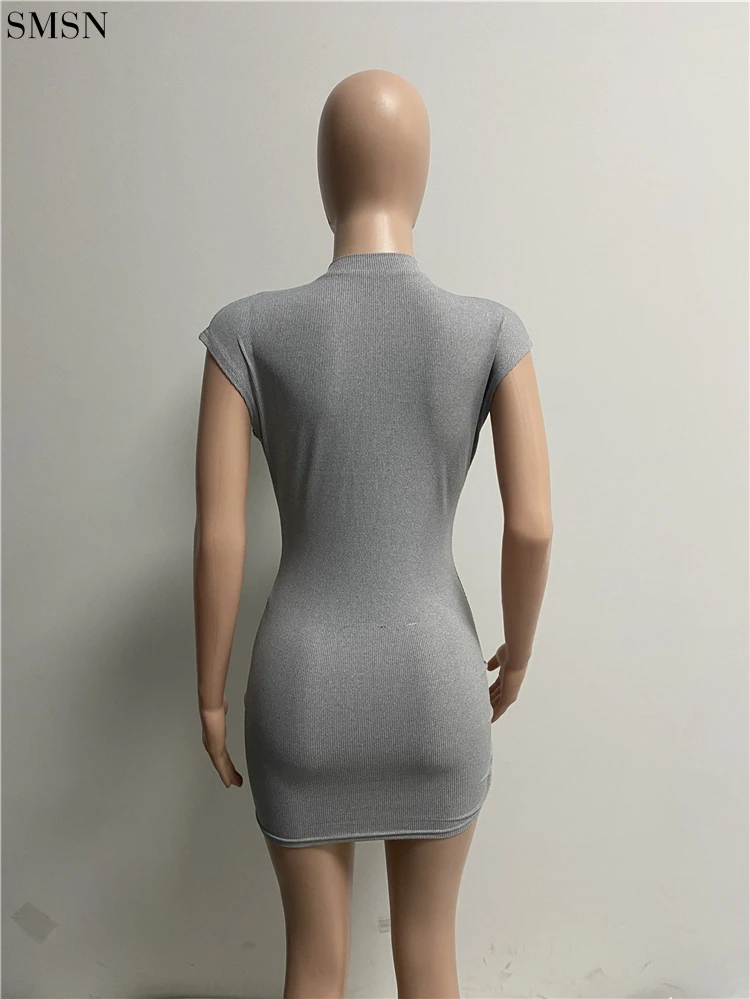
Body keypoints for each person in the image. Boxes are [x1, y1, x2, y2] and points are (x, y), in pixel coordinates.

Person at [194, 69, 552, 999]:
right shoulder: (490, 331)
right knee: (430, 960)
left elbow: (219, 535)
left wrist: (210, 695)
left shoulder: (246, 332)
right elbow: (532, 524)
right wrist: (516, 657)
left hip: (301, 685)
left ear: (325, 176)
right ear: (421, 175)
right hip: (438, 682)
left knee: (314, 969)